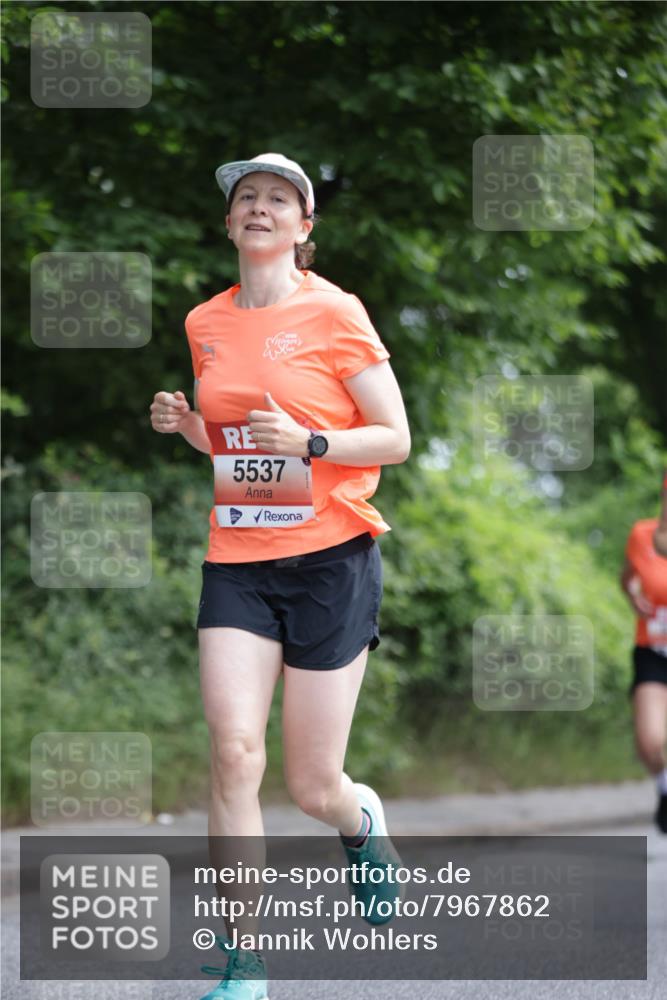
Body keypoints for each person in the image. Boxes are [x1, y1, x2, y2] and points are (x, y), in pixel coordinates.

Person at [150, 153, 411, 999]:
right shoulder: (205, 323)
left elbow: (394, 436)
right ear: (229, 224)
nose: (259, 208)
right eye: (245, 198)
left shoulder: (335, 312)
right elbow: (231, 448)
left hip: (332, 560)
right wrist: (189, 425)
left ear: (303, 229)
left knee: (311, 786)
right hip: (237, 562)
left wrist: (312, 443)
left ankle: (359, 820)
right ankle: (242, 962)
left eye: (279, 200)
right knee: (232, 755)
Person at [620, 482, 667, 835]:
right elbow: (627, 579)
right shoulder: (642, 535)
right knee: (651, 741)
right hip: (652, 650)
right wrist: (634, 597)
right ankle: (664, 787)